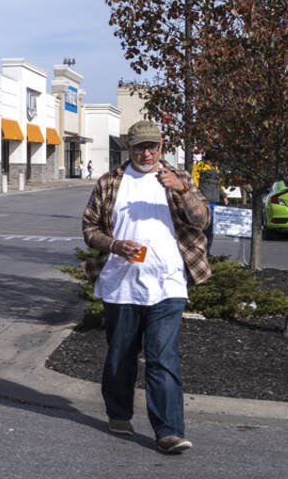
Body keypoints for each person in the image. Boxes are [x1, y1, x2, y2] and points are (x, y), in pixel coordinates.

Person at [81, 120, 210, 455]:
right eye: (140, 146)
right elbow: (89, 228)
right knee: (120, 356)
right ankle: (119, 412)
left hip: (167, 285)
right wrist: (112, 244)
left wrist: (182, 190)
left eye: (152, 146)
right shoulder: (110, 182)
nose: (147, 152)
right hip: (121, 285)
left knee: (162, 357)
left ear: (162, 144)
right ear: (128, 145)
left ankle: (168, 431)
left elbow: (202, 220)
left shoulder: (178, 178)